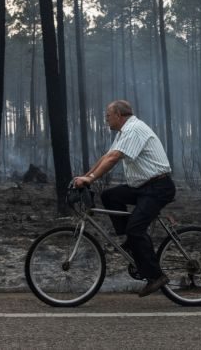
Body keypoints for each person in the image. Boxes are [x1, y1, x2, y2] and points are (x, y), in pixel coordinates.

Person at [74, 99, 175, 297]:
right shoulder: (124, 131)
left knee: (135, 228)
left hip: (158, 187)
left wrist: (90, 178)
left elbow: (113, 158)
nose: (106, 120)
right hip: (142, 186)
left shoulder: (134, 129)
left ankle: (156, 276)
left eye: (108, 116)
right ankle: (132, 240)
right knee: (109, 196)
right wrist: (86, 176)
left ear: (119, 116)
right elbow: (106, 156)